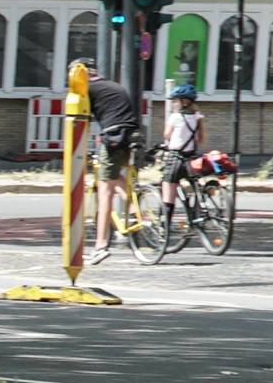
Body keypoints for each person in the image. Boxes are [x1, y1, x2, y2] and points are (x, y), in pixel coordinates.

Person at [79, 59, 141, 256]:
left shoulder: (87, 89)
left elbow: (81, 118)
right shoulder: (113, 85)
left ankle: (100, 244)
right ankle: (136, 211)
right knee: (115, 176)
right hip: (132, 135)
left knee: (105, 189)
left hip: (113, 137)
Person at [153, 84, 205, 212]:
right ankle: (196, 214)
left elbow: (166, 135)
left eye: (175, 101)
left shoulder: (175, 117)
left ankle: (165, 228)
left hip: (175, 159)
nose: (174, 104)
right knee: (195, 184)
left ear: (184, 102)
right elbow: (200, 138)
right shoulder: (197, 117)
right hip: (191, 159)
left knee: (168, 192)